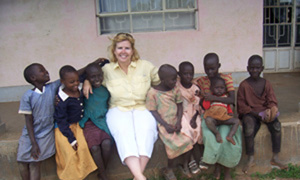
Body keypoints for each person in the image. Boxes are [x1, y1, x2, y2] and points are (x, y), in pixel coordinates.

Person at [84, 33, 160, 180]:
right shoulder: (106, 70)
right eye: (119, 48)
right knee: (124, 134)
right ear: (114, 50)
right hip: (117, 108)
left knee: (147, 132)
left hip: (142, 107)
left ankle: (137, 177)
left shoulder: (146, 66)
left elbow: (160, 83)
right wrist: (87, 80)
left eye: (127, 48)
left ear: (133, 50)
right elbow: (91, 74)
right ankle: (140, 177)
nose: (123, 51)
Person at [193, 53, 242, 180]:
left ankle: (226, 171)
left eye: (212, 68)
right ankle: (217, 166)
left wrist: (214, 97)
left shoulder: (226, 79)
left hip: (225, 115)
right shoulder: (202, 80)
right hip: (210, 116)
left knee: (226, 138)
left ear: (219, 66)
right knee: (211, 137)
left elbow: (231, 99)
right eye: (206, 68)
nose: (209, 72)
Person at [237, 55, 288, 174]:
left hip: (264, 112)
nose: (254, 70)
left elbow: (272, 100)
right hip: (250, 113)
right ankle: (250, 158)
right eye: (252, 68)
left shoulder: (266, 83)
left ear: (262, 68)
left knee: (276, 126)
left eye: (257, 68)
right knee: (248, 128)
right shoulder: (243, 85)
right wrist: (256, 114)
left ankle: (275, 157)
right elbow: (241, 106)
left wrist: (271, 110)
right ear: (248, 68)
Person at [146, 64, 194, 180]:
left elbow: (179, 105)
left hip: (175, 121)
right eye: (172, 80)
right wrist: (165, 125)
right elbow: (153, 111)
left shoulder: (174, 89)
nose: (175, 82)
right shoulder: (152, 93)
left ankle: (184, 164)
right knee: (172, 146)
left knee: (188, 140)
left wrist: (178, 122)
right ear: (162, 80)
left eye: (175, 79)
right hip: (163, 124)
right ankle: (169, 169)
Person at [17, 63, 60, 180]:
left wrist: (91, 65)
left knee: (35, 162)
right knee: (21, 161)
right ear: (33, 78)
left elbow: (69, 74)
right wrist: (33, 143)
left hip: (45, 132)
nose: (46, 72)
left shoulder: (52, 87)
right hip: (30, 133)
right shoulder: (28, 96)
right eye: (42, 70)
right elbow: (28, 121)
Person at [54, 65, 97, 180]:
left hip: (77, 126)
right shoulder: (61, 99)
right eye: (71, 82)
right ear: (62, 82)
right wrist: (71, 139)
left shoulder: (79, 88)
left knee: (83, 148)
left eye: (78, 80)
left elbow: (92, 72)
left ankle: (82, 176)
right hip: (64, 129)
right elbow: (61, 121)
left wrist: (87, 80)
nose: (76, 84)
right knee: (69, 154)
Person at [79, 63, 112, 180]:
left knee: (107, 144)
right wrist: (85, 81)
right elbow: (72, 77)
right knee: (94, 148)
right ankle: (104, 176)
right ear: (87, 77)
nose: (97, 79)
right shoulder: (84, 88)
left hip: (102, 121)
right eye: (92, 77)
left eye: (99, 76)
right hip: (88, 122)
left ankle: (102, 172)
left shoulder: (106, 89)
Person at [177, 61, 202, 176]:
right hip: (181, 113)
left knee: (197, 129)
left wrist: (194, 118)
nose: (188, 76)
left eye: (191, 74)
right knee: (186, 131)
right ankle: (188, 161)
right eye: (185, 74)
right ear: (179, 74)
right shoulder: (177, 87)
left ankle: (193, 158)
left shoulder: (195, 88)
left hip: (193, 113)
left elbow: (197, 107)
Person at [201, 76, 240, 145]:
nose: (219, 90)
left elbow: (227, 107)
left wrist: (230, 112)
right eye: (217, 88)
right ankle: (216, 133)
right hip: (214, 120)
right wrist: (208, 100)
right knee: (208, 120)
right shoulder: (210, 97)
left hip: (224, 119)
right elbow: (206, 107)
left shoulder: (225, 97)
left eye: (222, 88)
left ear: (225, 89)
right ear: (212, 89)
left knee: (236, 121)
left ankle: (230, 136)